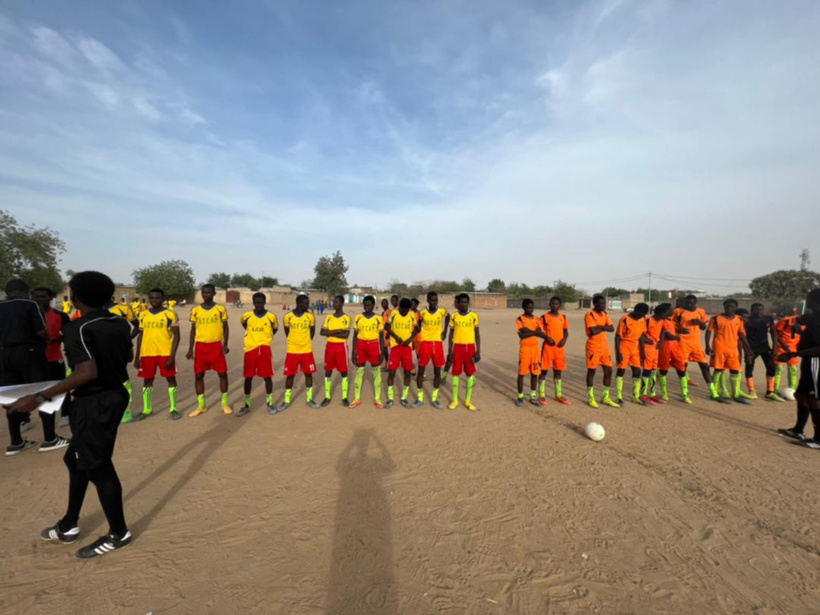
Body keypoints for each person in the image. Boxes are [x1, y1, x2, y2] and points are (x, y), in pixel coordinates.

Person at [6, 271, 133, 558]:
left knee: (98, 466)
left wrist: (38, 397)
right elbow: (126, 357)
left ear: (74, 297)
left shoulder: (77, 328)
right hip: (114, 395)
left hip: (95, 402)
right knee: (74, 459)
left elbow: (86, 372)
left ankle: (119, 532)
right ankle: (69, 525)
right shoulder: (120, 322)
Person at [1, 279, 65, 455]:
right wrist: (46, 341)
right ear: (26, 291)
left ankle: (16, 442)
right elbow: (40, 331)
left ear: (7, 292)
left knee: (11, 397)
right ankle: (50, 439)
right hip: (29, 353)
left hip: (4, 355)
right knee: (43, 392)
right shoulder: (30, 305)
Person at [777, 288, 820, 447]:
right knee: (801, 395)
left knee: (815, 399)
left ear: (813, 301)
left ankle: (818, 439)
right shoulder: (814, 318)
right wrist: (799, 328)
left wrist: (794, 354)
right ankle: (798, 430)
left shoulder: (817, 321)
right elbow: (805, 324)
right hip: (809, 362)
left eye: (808, 298)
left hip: (816, 363)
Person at [131, 288, 181, 422]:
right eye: (151, 298)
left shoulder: (170, 314)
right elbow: (141, 335)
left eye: (157, 298)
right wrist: (137, 356)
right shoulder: (143, 315)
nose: (154, 300)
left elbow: (177, 336)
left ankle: (173, 408)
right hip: (147, 354)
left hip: (165, 353)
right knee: (147, 380)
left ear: (163, 299)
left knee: (170, 379)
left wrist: (172, 356)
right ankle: (147, 409)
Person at [186, 284, 231, 417]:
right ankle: (201, 406)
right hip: (201, 347)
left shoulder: (220, 309)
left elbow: (226, 327)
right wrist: (190, 348)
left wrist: (225, 344)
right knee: (199, 376)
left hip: (216, 346)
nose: (206, 295)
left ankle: (224, 404)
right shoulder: (196, 310)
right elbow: (193, 330)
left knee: (222, 374)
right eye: (203, 293)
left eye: (208, 293)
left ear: (214, 294)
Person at [32, 287, 73, 431]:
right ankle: (25, 419)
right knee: (36, 390)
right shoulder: (28, 316)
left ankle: (65, 413)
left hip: (55, 358)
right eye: (36, 296)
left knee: (62, 386)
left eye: (43, 296)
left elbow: (69, 336)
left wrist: (55, 340)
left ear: (51, 298)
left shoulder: (60, 315)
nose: (39, 299)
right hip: (34, 361)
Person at [673, 295, 723, 403]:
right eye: (687, 303)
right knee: (683, 368)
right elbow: (670, 325)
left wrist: (700, 323)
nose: (689, 305)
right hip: (683, 343)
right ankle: (685, 393)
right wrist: (678, 330)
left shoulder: (701, 311)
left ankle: (713, 392)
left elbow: (704, 327)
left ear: (695, 303)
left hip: (696, 344)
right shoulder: (678, 311)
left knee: (705, 366)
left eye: (691, 303)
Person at [705, 299, 753, 405]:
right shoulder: (716, 318)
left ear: (735, 308)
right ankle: (714, 393)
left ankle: (735, 394)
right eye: (727, 306)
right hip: (719, 348)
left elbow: (741, 334)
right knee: (718, 370)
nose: (729, 308)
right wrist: (707, 346)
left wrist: (748, 348)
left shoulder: (739, 319)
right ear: (724, 306)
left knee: (735, 370)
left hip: (732, 349)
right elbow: (708, 331)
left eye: (731, 307)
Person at [239, 292, 278, 416]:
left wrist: (265, 337)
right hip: (250, 349)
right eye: (256, 302)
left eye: (261, 302)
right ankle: (246, 404)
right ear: (253, 303)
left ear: (264, 302)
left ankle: (270, 403)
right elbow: (245, 325)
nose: (259, 305)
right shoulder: (247, 315)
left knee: (267, 377)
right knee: (248, 378)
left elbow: (274, 329)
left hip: (264, 349)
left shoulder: (271, 316)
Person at [279, 294, 318, 411]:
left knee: (308, 374)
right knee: (290, 375)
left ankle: (309, 399)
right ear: (299, 303)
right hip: (292, 350)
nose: (308, 305)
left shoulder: (310, 316)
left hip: (306, 350)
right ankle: (286, 400)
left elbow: (312, 333)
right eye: (306, 303)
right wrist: (294, 342)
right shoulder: (288, 316)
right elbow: (287, 332)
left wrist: (304, 342)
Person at [413, 291, 449, 409]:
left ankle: (434, 398)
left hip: (437, 344)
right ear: (428, 300)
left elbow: (448, 317)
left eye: (436, 300)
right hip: (425, 344)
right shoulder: (422, 312)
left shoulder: (442, 311)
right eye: (432, 300)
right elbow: (417, 324)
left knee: (437, 372)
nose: (434, 302)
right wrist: (418, 331)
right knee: (420, 371)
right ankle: (420, 398)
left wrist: (445, 331)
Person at [105, 297, 140, 414]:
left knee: (121, 375)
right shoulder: (93, 310)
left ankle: (127, 407)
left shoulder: (123, 309)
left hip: (120, 350)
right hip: (101, 349)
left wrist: (127, 340)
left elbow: (137, 326)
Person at [349, 296, 385, 409]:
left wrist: (382, 352)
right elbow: (354, 336)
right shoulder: (358, 317)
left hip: (374, 346)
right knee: (359, 371)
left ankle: (377, 398)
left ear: (373, 305)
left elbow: (381, 337)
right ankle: (357, 398)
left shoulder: (378, 318)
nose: (367, 307)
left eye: (369, 305)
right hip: (361, 345)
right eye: (365, 304)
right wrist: (353, 352)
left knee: (376, 372)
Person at [743, 303, 783, 401]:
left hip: (765, 346)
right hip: (751, 348)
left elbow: (773, 332)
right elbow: (742, 337)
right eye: (756, 309)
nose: (759, 311)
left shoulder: (768, 319)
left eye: (761, 309)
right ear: (751, 310)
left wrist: (775, 348)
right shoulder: (746, 321)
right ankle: (751, 391)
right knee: (749, 366)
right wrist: (746, 351)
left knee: (771, 366)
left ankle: (770, 391)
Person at [584, 294, 619, 408]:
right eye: (602, 303)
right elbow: (593, 331)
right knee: (592, 372)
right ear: (595, 304)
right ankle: (591, 398)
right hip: (593, 346)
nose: (604, 305)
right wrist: (603, 326)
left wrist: (600, 326)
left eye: (605, 303)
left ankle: (605, 397)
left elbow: (611, 328)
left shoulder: (605, 314)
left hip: (604, 346)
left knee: (609, 371)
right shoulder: (590, 314)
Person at [447, 293, 481, 410]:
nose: (463, 304)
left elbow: (477, 334)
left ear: (468, 303)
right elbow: (450, 334)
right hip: (457, 347)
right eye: (461, 302)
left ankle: (468, 401)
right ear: (458, 303)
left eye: (465, 302)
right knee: (456, 373)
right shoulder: (454, 316)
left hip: (470, 347)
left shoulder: (474, 316)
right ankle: (455, 400)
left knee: (469, 373)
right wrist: (450, 351)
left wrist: (478, 351)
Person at [385, 298, 419, 408]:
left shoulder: (411, 314)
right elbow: (387, 326)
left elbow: (417, 329)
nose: (405, 312)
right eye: (403, 310)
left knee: (407, 373)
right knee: (391, 372)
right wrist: (396, 337)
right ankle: (390, 398)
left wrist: (410, 339)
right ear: (399, 307)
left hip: (407, 348)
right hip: (395, 347)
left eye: (406, 310)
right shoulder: (394, 313)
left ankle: (404, 397)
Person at [615, 303, 650, 405]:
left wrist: (643, 351)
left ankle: (636, 396)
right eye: (641, 313)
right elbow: (617, 337)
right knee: (621, 370)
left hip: (635, 348)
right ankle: (619, 396)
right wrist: (619, 352)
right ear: (636, 310)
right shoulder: (624, 319)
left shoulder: (642, 320)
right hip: (624, 346)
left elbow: (641, 336)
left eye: (644, 314)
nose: (643, 316)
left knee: (637, 371)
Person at [320, 295, 351, 407]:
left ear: (342, 304)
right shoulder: (329, 318)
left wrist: (330, 332)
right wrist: (337, 330)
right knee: (328, 371)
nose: (334, 304)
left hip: (341, 347)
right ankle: (327, 396)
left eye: (336, 302)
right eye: (333, 302)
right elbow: (322, 332)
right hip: (330, 347)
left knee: (344, 372)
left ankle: (344, 397)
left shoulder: (346, 318)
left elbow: (345, 335)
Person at [538, 296, 570, 405]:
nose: (554, 306)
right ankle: (541, 395)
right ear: (549, 305)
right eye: (552, 304)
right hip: (548, 348)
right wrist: (547, 338)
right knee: (543, 371)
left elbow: (566, 331)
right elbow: (539, 331)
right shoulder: (544, 317)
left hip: (560, 349)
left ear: (559, 305)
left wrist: (564, 340)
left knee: (558, 371)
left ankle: (558, 395)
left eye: (556, 304)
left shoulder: (563, 317)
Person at [516, 299, 545, 407]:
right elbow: (522, 335)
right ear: (524, 308)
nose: (530, 310)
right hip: (525, 349)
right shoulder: (520, 319)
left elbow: (541, 333)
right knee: (522, 373)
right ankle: (520, 396)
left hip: (535, 349)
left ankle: (533, 396)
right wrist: (534, 332)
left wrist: (528, 331)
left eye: (532, 308)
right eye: (528, 308)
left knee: (535, 373)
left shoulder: (537, 319)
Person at [643, 303, 672, 405]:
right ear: (662, 313)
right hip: (648, 349)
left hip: (656, 349)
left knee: (653, 372)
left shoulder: (662, 321)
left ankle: (653, 394)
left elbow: (664, 330)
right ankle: (644, 394)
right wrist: (645, 340)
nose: (668, 315)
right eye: (667, 313)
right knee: (647, 371)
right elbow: (641, 333)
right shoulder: (648, 321)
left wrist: (661, 341)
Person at [657, 303, 684, 401]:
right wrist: (677, 337)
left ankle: (684, 394)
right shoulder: (662, 321)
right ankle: (665, 394)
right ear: (666, 311)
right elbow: (668, 336)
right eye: (671, 309)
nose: (673, 311)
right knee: (664, 370)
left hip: (675, 347)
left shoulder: (670, 321)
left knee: (681, 369)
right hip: (666, 347)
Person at [775, 312, 802, 394]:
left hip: (794, 350)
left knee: (793, 370)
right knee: (778, 369)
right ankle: (775, 390)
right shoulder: (786, 321)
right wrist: (782, 345)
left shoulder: (807, 323)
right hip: (781, 348)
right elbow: (775, 332)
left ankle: (792, 390)